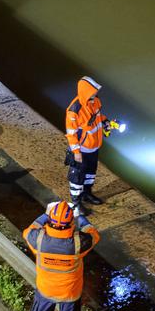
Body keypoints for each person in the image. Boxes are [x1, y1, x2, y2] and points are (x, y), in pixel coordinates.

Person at [23, 200, 100, 311]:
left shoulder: (39, 239)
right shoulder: (78, 243)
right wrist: (81, 218)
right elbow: (94, 234)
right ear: (70, 223)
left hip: (45, 289)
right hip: (69, 293)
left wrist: (45, 213)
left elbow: (28, 231)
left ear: (50, 221)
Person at [65, 75, 109, 214]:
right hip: (82, 149)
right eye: (92, 91)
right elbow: (71, 134)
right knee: (77, 176)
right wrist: (76, 152)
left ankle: (87, 193)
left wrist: (106, 121)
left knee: (90, 172)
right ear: (86, 92)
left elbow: (97, 117)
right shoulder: (74, 110)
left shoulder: (95, 102)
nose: (95, 93)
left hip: (94, 146)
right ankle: (76, 202)